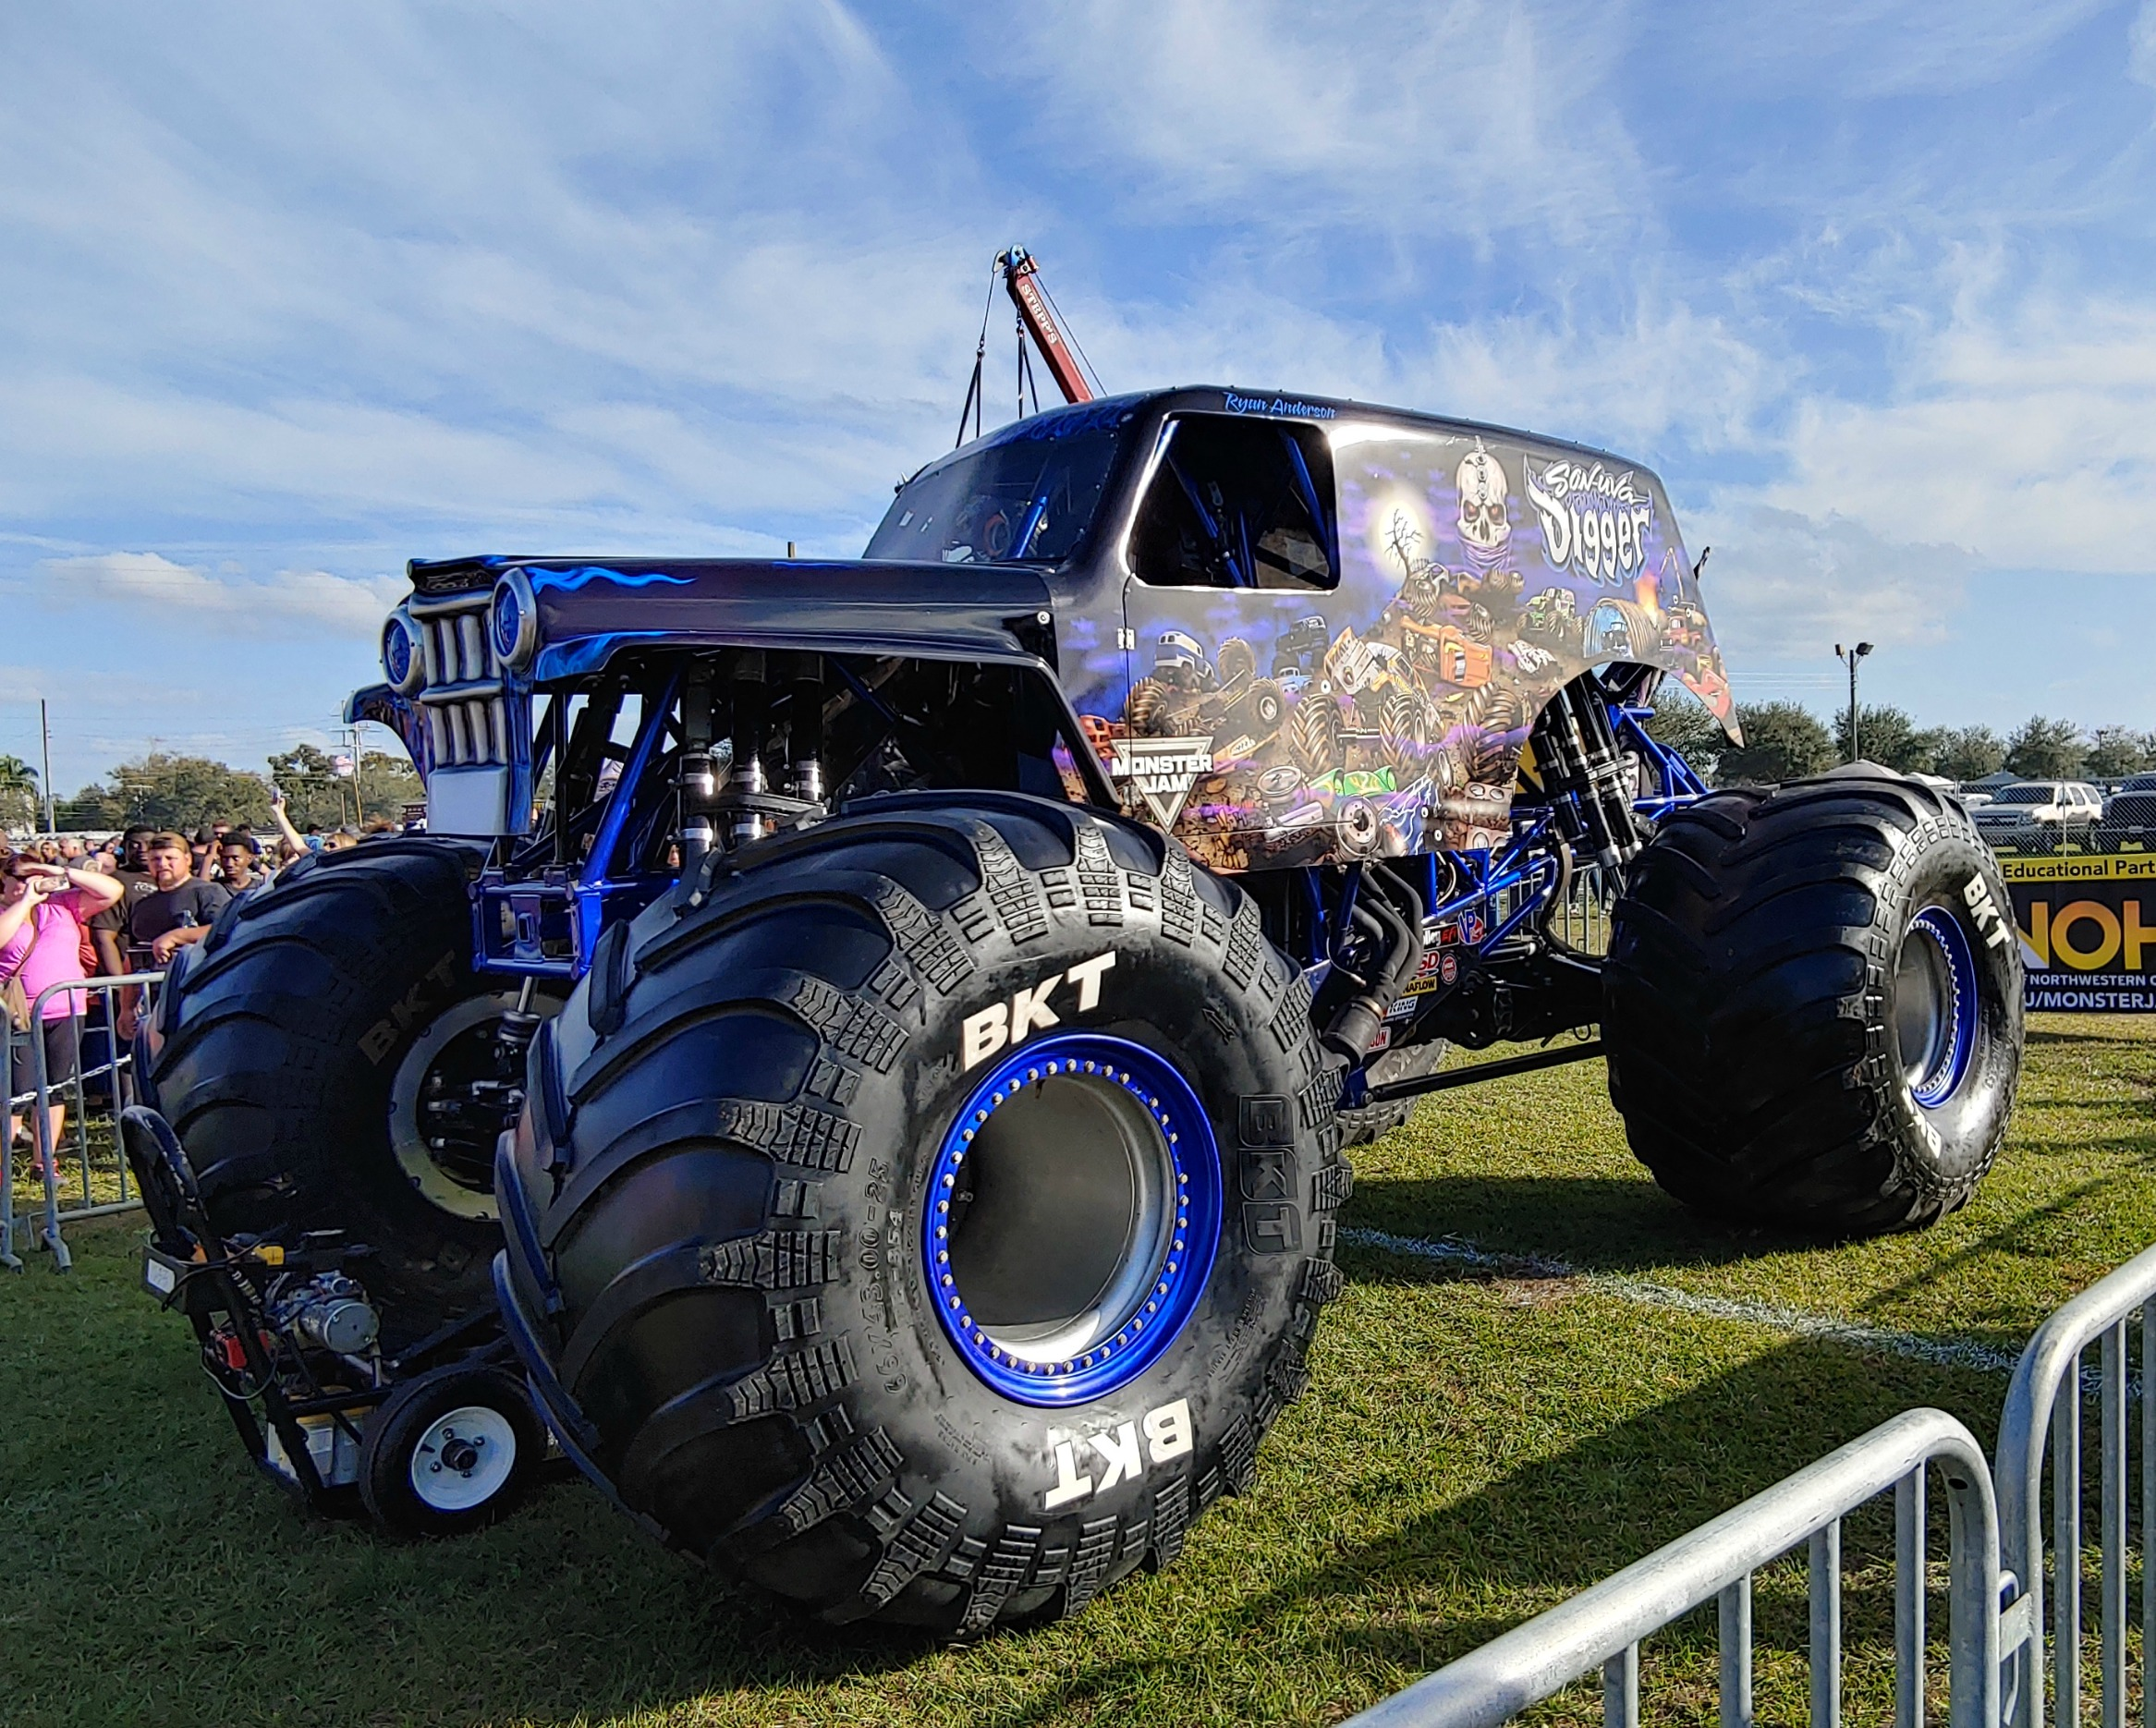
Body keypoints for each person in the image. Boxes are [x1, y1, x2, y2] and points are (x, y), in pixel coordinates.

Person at [1, 845, 123, 1166]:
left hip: (66, 1008)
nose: (22, 884)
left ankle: (45, 1160)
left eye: (30, 876)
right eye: (14, 878)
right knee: (17, 1091)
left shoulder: (63, 905)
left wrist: (61, 872)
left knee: (54, 1087)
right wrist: (25, 901)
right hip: (17, 1015)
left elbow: (112, 890)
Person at [88, 826, 156, 982]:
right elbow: (103, 936)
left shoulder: (171, 879)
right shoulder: (116, 882)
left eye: (149, 843)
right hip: (135, 974)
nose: (142, 849)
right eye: (134, 844)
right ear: (124, 847)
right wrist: (119, 984)